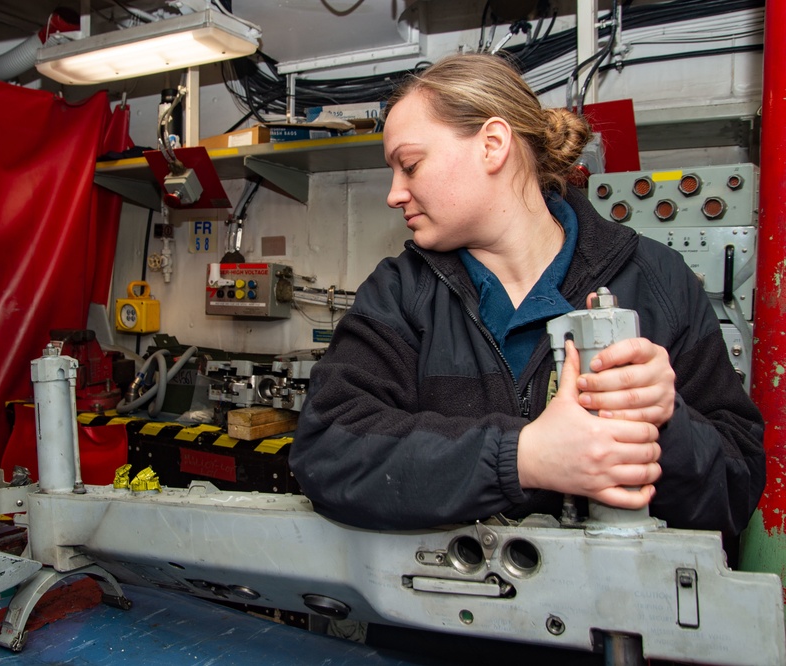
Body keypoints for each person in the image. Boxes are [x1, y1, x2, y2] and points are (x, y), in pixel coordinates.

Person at [289, 53, 765, 547]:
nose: (394, 193)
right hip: (435, 615)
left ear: (492, 145)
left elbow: (735, 490)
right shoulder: (400, 293)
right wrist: (524, 456)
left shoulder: (658, 280)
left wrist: (665, 421)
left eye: (409, 165)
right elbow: (327, 451)